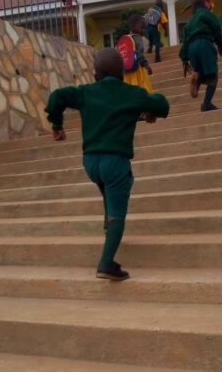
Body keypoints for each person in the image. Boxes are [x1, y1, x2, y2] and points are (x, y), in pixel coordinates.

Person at [45, 48, 169, 281]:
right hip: (115, 161)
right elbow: (162, 105)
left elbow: (57, 97)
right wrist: (149, 109)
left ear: (96, 73)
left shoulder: (86, 92)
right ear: (122, 71)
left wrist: (57, 125)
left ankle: (106, 224)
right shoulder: (132, 93)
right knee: (118, 211)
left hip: (90, 162)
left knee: (108, 187)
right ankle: (106, 263)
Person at [179, 0, 222, 112]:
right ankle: (206, 104)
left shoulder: (189, 22)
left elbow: (184, 42)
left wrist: (184, 59)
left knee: (201, 72)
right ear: (204, 5)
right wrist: (220, 44)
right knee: (213, 77)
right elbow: (216, 26)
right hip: (204, 44)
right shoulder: (206, 14)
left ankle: (198, 78)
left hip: (191, 50)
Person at [123, 14, 153, 93]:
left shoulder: (127, 38)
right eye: (142, 28)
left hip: (127, 72)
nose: (144, 30)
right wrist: (147, 66)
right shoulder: (137, 38)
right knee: (143, 88)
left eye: (145, 28)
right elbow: (140, 55)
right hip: (137, 70)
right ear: (133, 26)